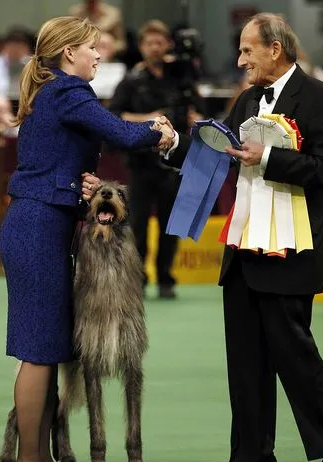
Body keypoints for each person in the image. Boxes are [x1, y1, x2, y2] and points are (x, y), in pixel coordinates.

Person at [159, 12, 323, 462]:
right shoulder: (248, 98)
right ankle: (251, 457)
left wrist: (270, 157)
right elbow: (217, 155)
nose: (240, 59)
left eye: (248, 49)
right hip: (243, 250)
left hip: (290, 251)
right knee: (245, 360)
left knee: (295, 356)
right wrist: (171, 148)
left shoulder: (320, 98)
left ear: (276, 49)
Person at [0, 16, 173, 462]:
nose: (100, 55)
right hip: (36, 231)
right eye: (93, 48)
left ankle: (44, 459)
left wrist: (80, 190)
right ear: (69, 52)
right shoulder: (70, 91)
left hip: (41, 225)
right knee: (37, 352)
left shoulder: (49, 91)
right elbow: (120, 133)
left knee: (49, 348)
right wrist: (161, 131)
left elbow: (50, 164)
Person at [109, 19, 205, 299]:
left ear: (167, 46)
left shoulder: (181, 78)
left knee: (170, 225)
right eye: (149, 42)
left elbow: (200, 110)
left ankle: (166, 277)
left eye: (160, 42)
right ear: (141, 47)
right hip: (140, 164)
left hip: (174, 163)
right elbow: (114, 117)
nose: (155, 47)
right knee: (137, 225)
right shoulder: (130, 81)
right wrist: (148, 119)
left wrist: (195, 119)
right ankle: (138, 279)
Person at [0, 29, 33, 98]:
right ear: (4, 46)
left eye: (20, 47)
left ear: (27, 49)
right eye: (13, 46)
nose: (16, 51)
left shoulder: (33, 66)